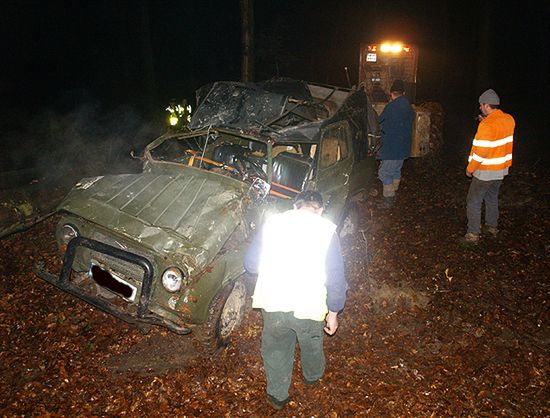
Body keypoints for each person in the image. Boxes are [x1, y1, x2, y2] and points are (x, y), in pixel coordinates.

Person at [243, 191, 347, 410]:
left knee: (276, 347)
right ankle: (312, 376)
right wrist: (334, 312)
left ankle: (277, 396)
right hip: (309, 304)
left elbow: (251, 264)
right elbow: (336, 276)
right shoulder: (327, 231)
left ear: (295, 206)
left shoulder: (272, 223)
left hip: (273, 300)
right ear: (320, 209)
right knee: (311, 343)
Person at [460, 88, 515, 245]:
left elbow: (482, 151)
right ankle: (492, 227)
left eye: (481, 105)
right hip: (501, 170)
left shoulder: (486, 125)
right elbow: (498, 136)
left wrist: (470, 168)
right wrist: (485, 122)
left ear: (486, 106)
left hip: (485, 171)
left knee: (473, 201)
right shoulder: (509, 119)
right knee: (492, 198)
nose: (479, 108)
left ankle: (472, 234)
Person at [377, 79, 415, 208]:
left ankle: (388, 199)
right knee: (396, 171)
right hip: (403, 148)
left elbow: (379, 122)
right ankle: (394, 192)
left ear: (391, 93)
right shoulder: (409, 107)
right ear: (403, 93)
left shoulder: (391, 107)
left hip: (391, 148)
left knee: (384, 173)